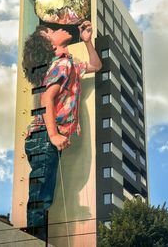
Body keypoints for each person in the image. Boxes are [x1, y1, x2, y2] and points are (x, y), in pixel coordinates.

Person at [22, 21, 102, 240]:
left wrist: (87, 41)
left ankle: (36, 240)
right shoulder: (61, 64)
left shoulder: (71, 63)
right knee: (41, 195)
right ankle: (33, 242)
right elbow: (47, 98)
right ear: (49, 44)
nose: (57, 28)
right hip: (44, 135)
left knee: (44, 194)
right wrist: (54, 134)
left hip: (43, 137)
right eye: (50, 31)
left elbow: (96, 66)